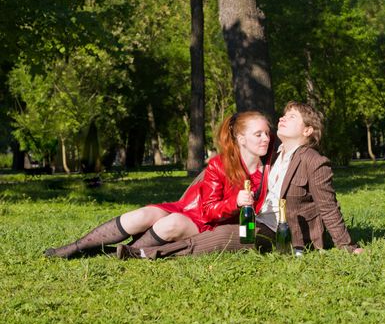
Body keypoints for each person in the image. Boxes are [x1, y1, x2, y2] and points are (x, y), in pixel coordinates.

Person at [116, 101, 362, 259]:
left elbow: (328, 207)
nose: (282, 119)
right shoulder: (273, 155)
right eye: (284, 115)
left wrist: (347, 246)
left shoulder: (313, 161)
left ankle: (147, 253)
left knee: (227, 237)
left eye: (292, 117)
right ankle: (140, 246)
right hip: (259, 220)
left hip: (284, 232)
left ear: (307, 131)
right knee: (228, 231)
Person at [44, 111, 273, 259]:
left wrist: (235, 205)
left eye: (267, 133)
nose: (266, 138)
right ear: (241, 139)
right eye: (258, 134)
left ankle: (122, 255)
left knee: (170, 224)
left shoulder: (269, 171)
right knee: (141, 216)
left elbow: (212, 217)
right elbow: (206, 207)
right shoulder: (219, 164)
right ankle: (76, 247)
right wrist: (235, 201)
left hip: (206, 225)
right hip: (194, 210)